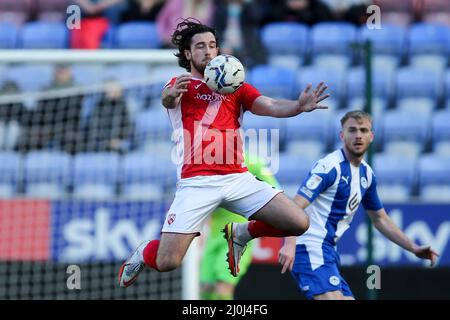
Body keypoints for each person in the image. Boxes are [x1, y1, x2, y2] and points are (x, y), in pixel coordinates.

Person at [118, 18, 329, 288]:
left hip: (237, 178)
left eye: (213, 45)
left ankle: (242, 232)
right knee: (168, 261)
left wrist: (298, 107)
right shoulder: (180, 84)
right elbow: (168, 100)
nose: (208, 51)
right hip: (197, 183)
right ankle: (143, 252)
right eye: (201, 46)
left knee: (299, 222)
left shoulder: (236, 87)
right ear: (188, 54)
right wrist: (170, 94)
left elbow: (271, 104)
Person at [278, 110, 439, 300]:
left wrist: (413, 247)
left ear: (371, 136)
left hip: (328, 251)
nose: (358, 136)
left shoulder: (367, 175)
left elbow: (380, 218)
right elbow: (293, 207)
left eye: (363, 130)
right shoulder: (330, 167)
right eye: (352, 130)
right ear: (342, 135)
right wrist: (289, 243)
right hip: (308, 246)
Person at [200, 153, 280, 300]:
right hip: (214, 234)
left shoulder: (252, 161)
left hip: (238, 233)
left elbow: (275, 192)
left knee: (223, 287)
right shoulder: (206, 162)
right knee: (205, 288)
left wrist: (262, 223)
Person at [82, 79, 132, 153]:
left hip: (118, 143)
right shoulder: (99, 106)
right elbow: (94, 127)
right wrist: (105, 141)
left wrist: (119, 139)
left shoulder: (123, 105)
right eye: (110, 89)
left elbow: (127, 126)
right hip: (101, 143)